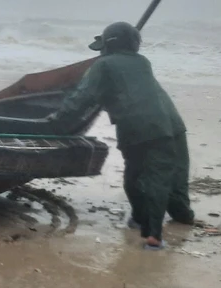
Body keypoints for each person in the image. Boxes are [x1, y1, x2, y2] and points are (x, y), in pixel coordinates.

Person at [46, 21, 194, 250]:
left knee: (138, 175)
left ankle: (144, 224)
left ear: (107, 45)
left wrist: (54, 122)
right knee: (172, 174)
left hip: (137, 128)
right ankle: (181, 215)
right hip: (172, 125)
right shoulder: (142, 62)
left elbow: (80, 99)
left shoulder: (103, 65)